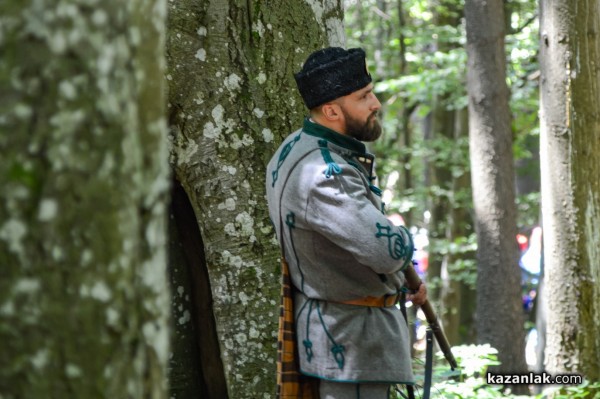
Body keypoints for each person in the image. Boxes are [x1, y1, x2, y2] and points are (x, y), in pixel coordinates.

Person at [266, 47, 427, 399]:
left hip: (341, 336)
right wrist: (403, 237)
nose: (376, 103)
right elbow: (387, 251)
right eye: (364, 96)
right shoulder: (324, 172)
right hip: (352, 343)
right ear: (332, 110)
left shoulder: (295, 146)